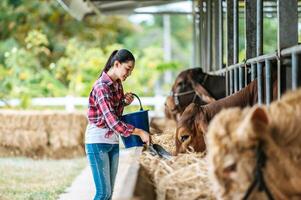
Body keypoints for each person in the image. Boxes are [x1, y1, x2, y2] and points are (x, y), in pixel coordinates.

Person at [85, 49, 150, 200]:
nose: (129, 73)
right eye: (128, 69)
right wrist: (140, 132)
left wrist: (123, 102)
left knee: (110, 193)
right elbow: (113, 122)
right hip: (97, 141)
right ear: (116, 64)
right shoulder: (101, 86)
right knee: (103, 193)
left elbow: (114, 112)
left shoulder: (118, 84)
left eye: (131, 71)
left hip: (112, 141)